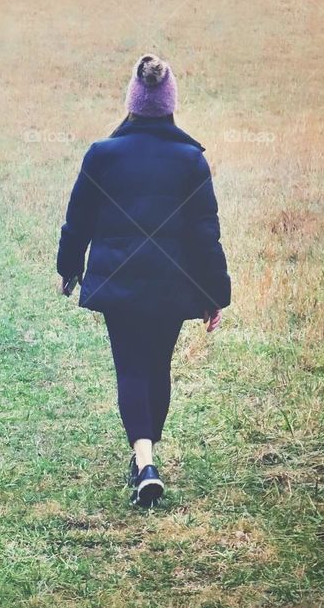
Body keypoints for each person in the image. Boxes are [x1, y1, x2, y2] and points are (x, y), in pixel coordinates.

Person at [56, 54, 231, 508]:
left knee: (131, 366)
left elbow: (78, 221)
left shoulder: (103, 154)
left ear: (132, 103)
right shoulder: (190, 160)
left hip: (119, 283)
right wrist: (215, 294)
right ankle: (146, 458)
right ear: (170, 104)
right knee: (156, 367)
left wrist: (69, 268)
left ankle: (144, 461)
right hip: (171, 287)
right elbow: (205, 235)